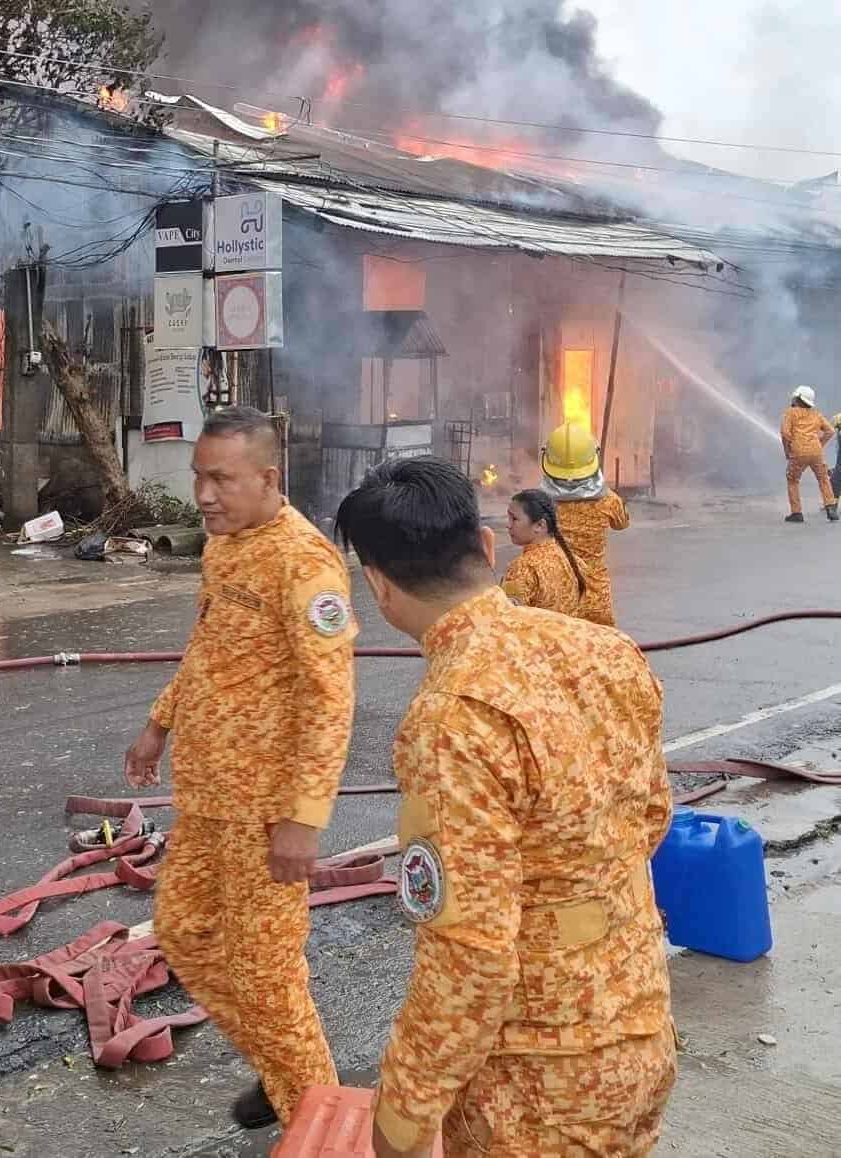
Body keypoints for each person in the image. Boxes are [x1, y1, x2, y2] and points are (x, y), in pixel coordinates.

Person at [335, 457, 674, 1158]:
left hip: (535, 1088)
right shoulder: (608, 651)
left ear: (378, 587)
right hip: (638, 1032)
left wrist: (402, 1113)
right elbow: (649, 821)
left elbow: (470, 954)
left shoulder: (451, 718)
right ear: (487, 547)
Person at [122, 406, 356, 1133]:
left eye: (220, 479)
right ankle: (282, 1065)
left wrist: (303, 818)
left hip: (264, 811)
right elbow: (209, 648)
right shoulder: (223, 548)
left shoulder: (305, 563)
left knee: (267, 977)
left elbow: (330, 699)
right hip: (206, 795)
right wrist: (159, 721)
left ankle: (316, 1118)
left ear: (266, 477)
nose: (203, 495)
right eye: (197, 477)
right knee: (184, 934)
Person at [540, 421, 630, 627]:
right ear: (594, 459)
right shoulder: (609, 501)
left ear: (547, 459)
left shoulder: (537, 503)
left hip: (555, 597)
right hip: (595, 601)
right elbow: (622, 523)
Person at [501, 487, 585, 618]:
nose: (508, 525)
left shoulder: (523, 567)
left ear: (539, 525)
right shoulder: (572, 559)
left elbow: (509, 619)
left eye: (514, 519)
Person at [780, 385, 837, 523]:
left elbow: (785, 434)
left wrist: (787, 451)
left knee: (792, 480)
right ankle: (830, 507)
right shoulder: (816, 414)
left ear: (798, 398)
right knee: (823, 478)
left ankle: (796, 513)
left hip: (798, 452)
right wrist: (819, 445)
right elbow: (830, 430)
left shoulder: (790, 412)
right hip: (816, 453)